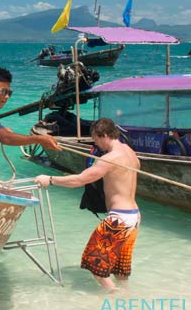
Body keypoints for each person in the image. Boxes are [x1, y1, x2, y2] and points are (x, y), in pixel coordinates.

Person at [35, 118, 140, 290]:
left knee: (95, 264)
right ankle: (126, 300)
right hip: (134, 216)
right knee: (120, 270)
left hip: (119, 220)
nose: (96, 144)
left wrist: (50, 179)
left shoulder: (109, 159)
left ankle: (114, 296)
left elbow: (80, 180)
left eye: (96, 140)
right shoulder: (129, 152)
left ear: (104, 135)